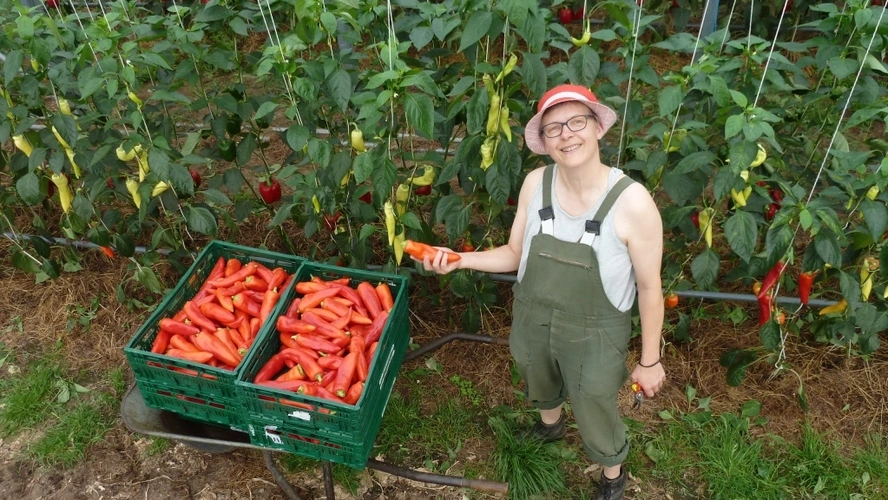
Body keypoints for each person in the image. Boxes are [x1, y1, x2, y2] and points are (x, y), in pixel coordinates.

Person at [416, 84, 667, 500]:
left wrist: (650, 360)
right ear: (544, 141)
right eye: (554, 129)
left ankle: (611, 471)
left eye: (576, 122)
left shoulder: (632, 203)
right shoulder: (537, 184)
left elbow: (649, 286)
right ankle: (550, 425)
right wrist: (459, 259)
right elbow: (516, 253)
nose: (567, 135)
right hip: (534, 312)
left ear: (598, 128)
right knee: (534, 366)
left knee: (593, 399)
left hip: (596, 329)